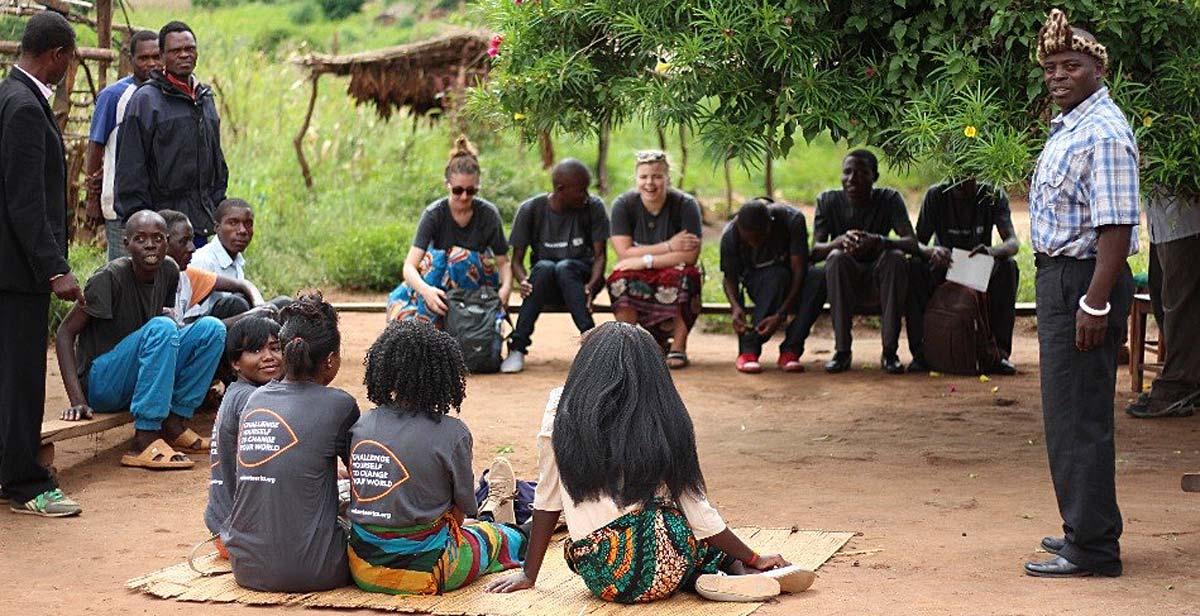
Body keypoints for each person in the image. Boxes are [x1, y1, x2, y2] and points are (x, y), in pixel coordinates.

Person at [486, 322, 815, 603]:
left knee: (585, 542)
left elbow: (547, 497)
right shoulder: (665, 413)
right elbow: (698, 511)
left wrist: (529, 574)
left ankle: (713, 575)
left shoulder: (561, 406)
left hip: (606, 571)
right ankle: (727, 569)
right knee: (679, 526)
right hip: (671, 557)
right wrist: (754, 556)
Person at [1024, 9, 1139, 579]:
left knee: (1080, 415)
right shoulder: (1072, 124)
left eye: (1071, 65)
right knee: (1067, 413)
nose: (1058, 75)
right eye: (1051, 67)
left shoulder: (1104, 133)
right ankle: (1084, 527)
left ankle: (1093, 548)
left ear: (1098, 68)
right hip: (1062, 279)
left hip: (1083, 282)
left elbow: (1115, 229)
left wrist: (1094, 302)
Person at [346, 320, 527, 595]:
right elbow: (463, 508)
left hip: (363, 567)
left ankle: (496, 513)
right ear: (444, 373)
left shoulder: (362, 425)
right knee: (502, 537)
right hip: (430, 570)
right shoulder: (452, 433)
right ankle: (510, 523)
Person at [54, 211, 227, 470]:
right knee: (162, 327)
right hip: (103, 382)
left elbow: (166, 317)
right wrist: (77, 399)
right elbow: (64, 334)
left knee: (212, 329)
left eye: (157, 238)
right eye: (140, 239)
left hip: (142, 376)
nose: (149, 245)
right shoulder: (109, 278)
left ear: (167, 241)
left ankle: (174, 422)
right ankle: (144, 438)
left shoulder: (169, 270)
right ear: (126, 244)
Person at [0, 11, 86, 517]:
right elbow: (26, 201)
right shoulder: (26, 109)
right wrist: (54, 267)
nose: (67, 69)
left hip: (7, 268)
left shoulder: (8, 96)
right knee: (22, 379)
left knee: (7, 376)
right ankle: (26, 484)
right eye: (68, 59)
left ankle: (9, 468)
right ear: (56, 54)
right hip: (19, 272)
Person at [223, 297, 360, 592]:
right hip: (316, 571)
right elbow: (365, 485)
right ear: (331, 359)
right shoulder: (341, 404)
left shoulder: (253, 400)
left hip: (246, 568)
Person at [115, 20, 228, 246]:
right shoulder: (146, 100)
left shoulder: (204, 98)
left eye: (190, 49)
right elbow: (130, 167)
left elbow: (216, 158)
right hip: (161, 227)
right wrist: (142, 222)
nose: (184, 55)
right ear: (163, 56)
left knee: (198, 281)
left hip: (200, 222)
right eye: (176, 51)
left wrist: (217, 203)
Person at [810, 149, 918, 374]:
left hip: (881, 280)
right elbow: (815, 251)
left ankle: (890, 352)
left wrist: (878, 241)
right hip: (845, 280)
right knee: (835, 258)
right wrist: (839, 241)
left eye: (860, 173)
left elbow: (911, 243)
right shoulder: (828, 200)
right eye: (847, 172)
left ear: (874, 177)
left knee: (896, 259)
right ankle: (842, 351)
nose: (852, 179)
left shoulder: (889, 199)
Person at [387, 136, 513, 325]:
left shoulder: (488, 214)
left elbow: (503, 263)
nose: (464, 197)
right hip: (437, 285)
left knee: (458, 257)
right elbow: (409, 267)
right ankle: (425, 333)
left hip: (476, 287)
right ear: (447, 185)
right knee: (402, 306)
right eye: (457, 190)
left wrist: (505, 290)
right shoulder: (433, 214)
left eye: (471, 191)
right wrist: (426, 291)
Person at [502, 159, 610, 373]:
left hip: (581, 284)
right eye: (581, 191)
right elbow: (516, 261)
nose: (586, 196)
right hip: (544, 286)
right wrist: (523, 281)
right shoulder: (531, 209)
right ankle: (518, 348)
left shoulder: (593, 207)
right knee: (544, 267)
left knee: (565, 267)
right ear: (560, 189)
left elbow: (600, 257)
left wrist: (591, 285)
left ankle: (592, 345)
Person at [905, 179, 1020, 375]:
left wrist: (991, 252)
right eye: (954, 175)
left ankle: (1000, 355)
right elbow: (917, 243)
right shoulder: (936, 195)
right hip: (944, 266)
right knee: (914, 266)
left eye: (966, 175)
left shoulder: (992, 194)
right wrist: (932, 252)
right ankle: (921, 353)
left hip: (978, 266)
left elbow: (1012, 242)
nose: (959, 181)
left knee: (1008, 268)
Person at [606, 150, 703, 369]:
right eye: (644, 177)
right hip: (651, 267)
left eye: (657, 176)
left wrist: (644, 260)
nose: (650, 183)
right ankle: (627, 347)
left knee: (689, 276)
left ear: (668, 178)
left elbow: (689, 256)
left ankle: (678, 347)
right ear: (636, 179)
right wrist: (669, 246)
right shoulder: (623, 204)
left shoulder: (686, 204)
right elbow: (624, 252)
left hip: (671, 270)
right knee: (619, 279)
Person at [204, 316, 281, 558]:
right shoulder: (253, 400)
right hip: (241, 535)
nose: (268, 356)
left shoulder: (240, 392)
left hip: (225, 527)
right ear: (236, 363)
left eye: (276, 348)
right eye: (256, 350)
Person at [719, 198, 824, 374]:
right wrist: (736, 307)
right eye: (748, 240)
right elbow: (729, 277)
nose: (753, 244)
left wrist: (781, 314)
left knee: (819, 277)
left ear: (770, 225)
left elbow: (800, 270)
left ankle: (791, 350)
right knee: (775, 276)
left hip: (793, 280)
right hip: (760, 282)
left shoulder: (792, 220)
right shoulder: (730, 234)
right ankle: (748, 351)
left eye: (758, 239)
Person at [84, 30, 160, 261]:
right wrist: (92, 198)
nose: (151, 64)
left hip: (159, 204)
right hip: (121, 208)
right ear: (131, 59)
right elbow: (95, 147)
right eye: (144, 58)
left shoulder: (168, 94)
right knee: (122, 273)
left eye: (156, 57)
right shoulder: (114, 96)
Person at [1125, 188, 1200, 418]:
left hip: (1186, 222)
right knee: (1161, 297)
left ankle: (1178, 385)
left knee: (1179, 305)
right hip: (1162, 223)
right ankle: (1184, 378)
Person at [160, 209, 276, 326]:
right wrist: (248, 316)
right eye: (184, 242)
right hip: (181, 338)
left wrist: (259, 304)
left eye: (191, 240)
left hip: (193, 331)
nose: (192, 248)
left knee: (278, 304)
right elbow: (183, 333)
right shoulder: (202, 260)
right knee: (235, 305)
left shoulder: (186, 273)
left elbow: (243, 284)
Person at [188, 199, 289, 319]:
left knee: (286, 304)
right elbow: (190, 321)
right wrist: (251, 315)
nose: (242, 231)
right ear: (216, 227)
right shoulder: (202, 260)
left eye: (248, 224)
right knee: (236, 303)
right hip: (213, 331)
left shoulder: (236, 260)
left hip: (239, 321)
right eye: (233, 223)